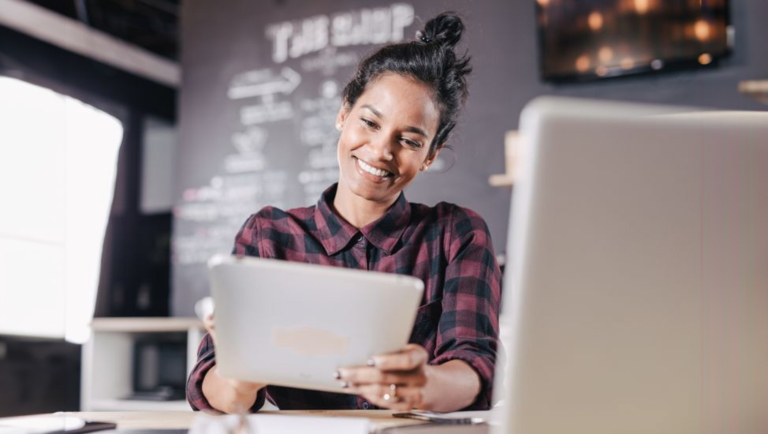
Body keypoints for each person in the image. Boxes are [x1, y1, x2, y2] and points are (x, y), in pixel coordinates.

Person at [186, 12, 502, 414]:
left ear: (430, 155)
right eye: (369, 122)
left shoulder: (457, 234)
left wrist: (426, 385)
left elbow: (476, 368)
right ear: (343, 114)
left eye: (408, 139)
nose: (381, 151)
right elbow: (213, 396)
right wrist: (243, 366)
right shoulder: (269, 234)